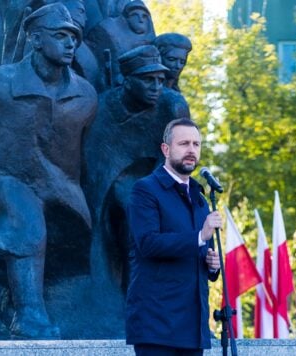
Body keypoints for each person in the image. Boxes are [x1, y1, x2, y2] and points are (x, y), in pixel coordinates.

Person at [0, 3, 96, 338]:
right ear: (36, 39)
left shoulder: (86, 94)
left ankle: (10, 299)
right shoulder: (3, 84)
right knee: (25, 219)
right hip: (6, 180)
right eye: (61, 36)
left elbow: (86, 155)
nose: (71, 44)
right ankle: (28, 316)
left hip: (59, 187)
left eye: (74, 37)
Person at [83, 44, 190, 291]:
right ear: (127, 81)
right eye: (147, 80)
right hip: (116, 185)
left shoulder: (172, 105)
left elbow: (182, 153)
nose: (156, 87)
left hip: (158, 182)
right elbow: (97, 164)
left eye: (160, 80)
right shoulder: (105, 107)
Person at [126, 118, 222, 355]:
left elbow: (197, 251)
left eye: (196, 144)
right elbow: (148, 243)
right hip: (157, 325)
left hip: (193, 327)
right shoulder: (145, 190)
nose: (191, 150)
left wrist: (212, 266)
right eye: (184, 144)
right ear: (166, 149)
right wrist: (199, 236)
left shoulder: (200, 198)